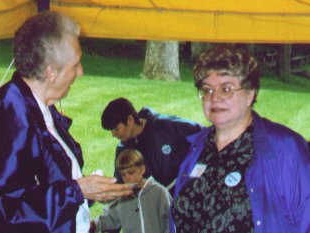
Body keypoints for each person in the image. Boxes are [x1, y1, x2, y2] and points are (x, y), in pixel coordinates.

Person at [0, 11, 132, 233]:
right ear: (51, 72)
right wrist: (78, 191)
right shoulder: (10, 112)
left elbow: (48, 184)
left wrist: (90, 192)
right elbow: (2, 209)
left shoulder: (40, 107)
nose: (80, 72)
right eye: (76, 65)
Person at [170, 45, 310, 233]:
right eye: (207, 90)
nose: (215, 98)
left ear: (250, 95)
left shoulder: (283, 148)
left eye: (226, 89)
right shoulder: (197, 146)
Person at [101, 97, 203, 195]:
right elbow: (121, 185)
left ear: (130, 120)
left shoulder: (167, 126)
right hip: (153, 205)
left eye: (116, 129)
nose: (113, 134)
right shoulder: (123, 150)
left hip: (188, 193)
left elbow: (206, 135)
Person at [89, 149, 171, 233]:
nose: (127, 178)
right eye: (123, 175)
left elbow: (171, 222)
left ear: (142, 169)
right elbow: (108, 219)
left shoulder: (159, 193)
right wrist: (90, 225)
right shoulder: (123, 198)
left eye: (131, 172)